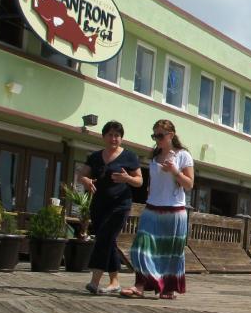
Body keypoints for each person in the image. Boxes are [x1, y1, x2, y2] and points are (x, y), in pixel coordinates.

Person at [121, 119, 194, 299]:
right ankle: (140, 285)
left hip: (174, 209)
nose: (157, 139)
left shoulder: (183, 155)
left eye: (160, 135)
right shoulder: (154, 156)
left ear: (171, 135)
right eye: (155, 135)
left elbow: (189, 184)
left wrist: (175, 171)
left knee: (169, 251)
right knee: (141, 247)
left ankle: (167, 289)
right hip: (152, 207)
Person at [77, 121, 142, 295]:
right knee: (108, 241)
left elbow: (139, 181)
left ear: (121, 138)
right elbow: (81, 174)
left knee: (104, 238)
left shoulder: (130, 156)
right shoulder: (95, 156)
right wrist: (86, 181)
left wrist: (127, 178)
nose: (114, 138)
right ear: (104, 136)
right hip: (99, 205)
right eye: (110, 135)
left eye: (117, 135)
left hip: (120, 205)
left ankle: (94, 281)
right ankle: (115, 282)